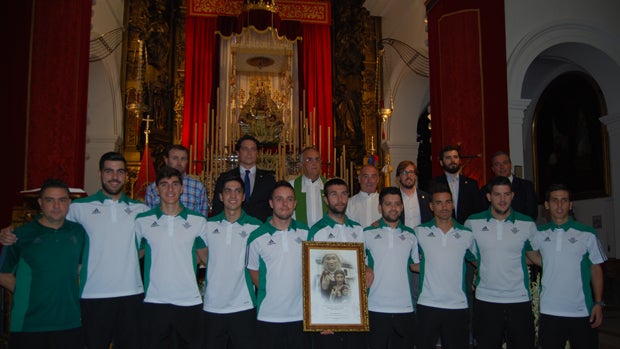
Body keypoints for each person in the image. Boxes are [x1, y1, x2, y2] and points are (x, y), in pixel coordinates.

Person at [1, 151, 149, 348]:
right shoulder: (79, 208)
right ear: (100, 174)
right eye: (109, 171)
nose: (114, 177)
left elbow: (151, 244)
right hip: (92, 296)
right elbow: (49, 220)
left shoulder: (142, 210)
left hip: (132, 294)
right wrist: (8, 233)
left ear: (126, 175)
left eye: (120, 172)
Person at [0, 179, 86, 349]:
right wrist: (29, 292)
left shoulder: (78, 232)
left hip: (69, 322)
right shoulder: (20, 235)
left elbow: (80, 268)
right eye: (49, 200)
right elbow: (3, 274)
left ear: (69, 203)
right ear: (40, 203)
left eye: (62, 200)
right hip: (29, 324)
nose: (56, 206)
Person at [135, 166, 208, 349]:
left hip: (189, 301)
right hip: (155, 301)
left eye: (175, 184)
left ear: (182, 188)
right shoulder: (142, 221)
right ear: (156, 189)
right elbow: (133, 257)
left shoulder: (198, 221)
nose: (170, 189)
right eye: (164, 184)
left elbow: (206, 259)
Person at [465, 176, 538, 349]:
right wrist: (486, 265)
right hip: (486, 300)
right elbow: (469, 254)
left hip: (518, 299)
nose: (502, 199)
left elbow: (534, 256)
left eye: (506, 194)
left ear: (512, 195)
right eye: (497, 194)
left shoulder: (527, 223)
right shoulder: (472, 222)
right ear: (489, 197)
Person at [530, 183, 607, 348]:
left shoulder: (587, 233)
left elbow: (595, 268)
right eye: (555, 200)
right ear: (546, 205)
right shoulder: (538, 233)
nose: (559, 205)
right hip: (549, 311)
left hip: (581, 311)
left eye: (564, 200)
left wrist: (598, 303)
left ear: (570, 205)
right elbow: (528, 255)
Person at [308, 177, 371, 349]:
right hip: (329, 314)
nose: (340, 199)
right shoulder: (317, 231)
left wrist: (368, 270)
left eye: (344, 194)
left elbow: (363, 266)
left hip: (354, 311)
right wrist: (320, 319)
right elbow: (313, 277)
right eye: (334, 195)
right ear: (326, 199)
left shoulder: (358, 230)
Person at [246, 181, 310, 349]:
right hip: (269, 315)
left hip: (301, 316)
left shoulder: (307, 233)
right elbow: (252, 270)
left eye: (289, 199)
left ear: (295, 204)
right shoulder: (256, 237)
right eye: (279, 199)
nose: (285, 204)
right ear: (271, 203)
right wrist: (271, 289)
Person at [202, 174, 263, 349]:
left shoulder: (256, 227)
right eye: (228, 191)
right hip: (213, 305)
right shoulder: (207, 225)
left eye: (238, 191)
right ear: (221, 196)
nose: (233, 196)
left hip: (243, 305)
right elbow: (201, 256)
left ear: (244, 197)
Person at [413, 184, 476, 349]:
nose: (444, 207)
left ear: (453, 204)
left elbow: (479, 262)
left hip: (457, 305)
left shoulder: (466, 235)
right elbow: (412, 264)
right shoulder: (419, 232)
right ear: (431, 206)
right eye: (439, 203)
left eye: (448, 202)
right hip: (428, 304)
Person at [363, 186, 419, 349]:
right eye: (388, 204)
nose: (393, 208)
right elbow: (356, 262)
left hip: (405, 308)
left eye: (397, 204)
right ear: (380, 208)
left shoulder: (411, 235)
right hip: (374, 307)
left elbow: (415, 265)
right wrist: (365, 267)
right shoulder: (366, 233)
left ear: (402, 207)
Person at [211, 135, 276, 222]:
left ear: (257, 154)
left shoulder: (269, 179)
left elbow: (273, 208)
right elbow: (217, 206)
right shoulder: (225, 177)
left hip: (261, 228)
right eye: (245, 149)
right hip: (232, 226)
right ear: (238, 153)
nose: (249, 153)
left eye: (253, 149)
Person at [145, 144, 209, 216]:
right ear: (166, 160)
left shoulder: (198, 187)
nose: (179, 163)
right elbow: (150, 218)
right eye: (175, 158)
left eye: (183, 159)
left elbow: (202, 219)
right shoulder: (153, 188)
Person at [432, 145, 483, 224]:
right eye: (448, 158)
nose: (453, 160)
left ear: (459, 160)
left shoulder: (471, 184)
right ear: (441, 162)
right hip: (443, 229)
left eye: (455, 157)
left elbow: (477, 210)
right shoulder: (434, 184)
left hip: (467, 229)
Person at [483, 151, 538, 220]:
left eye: (505, 163)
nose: (502, 167)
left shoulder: (526, 186)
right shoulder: (485, 190)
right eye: (497, 164)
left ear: (510, 165)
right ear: (493, 169)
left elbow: (532, 213)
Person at [289, 146, 326, 227]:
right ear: (301, 164)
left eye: (317, 159)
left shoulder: (329, 186)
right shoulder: (291, 186)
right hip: (299, 236)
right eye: (309, 159)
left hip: (325, 237)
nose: (314, 163)